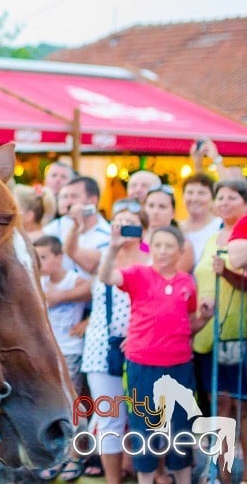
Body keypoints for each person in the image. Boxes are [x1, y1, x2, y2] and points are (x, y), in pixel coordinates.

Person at [97, 226, 213, 484]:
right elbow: (106, 276)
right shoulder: (138, 274)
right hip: (142, 365)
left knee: (179, 428)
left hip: (179, 365)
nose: (162, 251)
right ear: (150, 247)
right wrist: (114, 247)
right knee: (144, 428)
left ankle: (182, 478)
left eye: (169, 246)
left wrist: (205, 317)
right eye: (157, 245)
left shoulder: (186, 282)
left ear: (180, 251)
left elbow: (190, 324)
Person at [79, 200, 147, 484]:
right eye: (119, 222)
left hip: (142, 346)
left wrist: (136, 333)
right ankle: (112, 479)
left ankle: (144, 471)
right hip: (100, 348)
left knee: (144, 416)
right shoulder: (103, 258)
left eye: (131, 222)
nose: (125, 228)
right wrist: (114, 246)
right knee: (110, 418)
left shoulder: (152, 259)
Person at [191, 179, 247, 460]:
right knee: (216, 404)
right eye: (221, 197)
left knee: (240, 405)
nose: (224, 202)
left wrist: (226, 273)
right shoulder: (212, 236)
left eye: (232, 197)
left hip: (238, 330)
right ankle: (221, 472)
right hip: (206, 332)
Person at [34, 235, 90, 481]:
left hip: (69, 350)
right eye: (37, 257)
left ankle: (75, 456)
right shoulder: (38, 281)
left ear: (59, 258)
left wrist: (86, 322)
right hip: (46, 353)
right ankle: (57, 456)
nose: (40, 262)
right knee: (50, 407)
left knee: (71, 405)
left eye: (44, 257)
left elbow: (96, 297)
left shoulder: (74, 280)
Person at [178, 173, 221, 266]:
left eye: (201, 193)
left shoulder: (220, 227)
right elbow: (147, 249)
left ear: (213, 198)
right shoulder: (175, 227)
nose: (194, 198)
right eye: (190, 193)